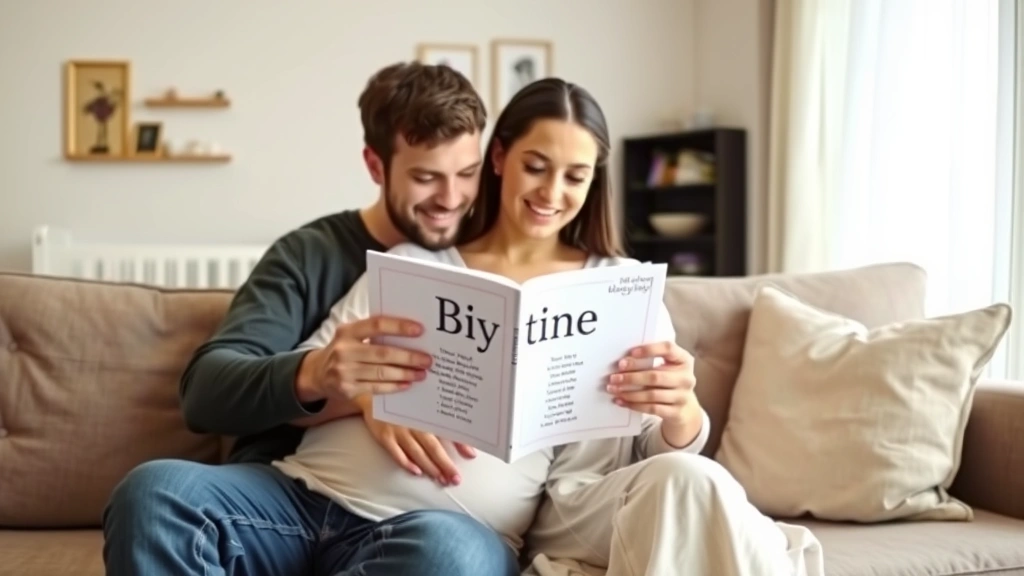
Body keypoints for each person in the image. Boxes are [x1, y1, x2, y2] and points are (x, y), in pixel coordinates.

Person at [273, 78, 826, 576]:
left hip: (588, 501)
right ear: (499, 157)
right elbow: (309, 379)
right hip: (510, 514)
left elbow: (659, 449)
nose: (551, 192)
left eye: (575, 176)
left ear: (593, 181)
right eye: (536, 166)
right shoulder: (417, 264)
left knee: (693, 478)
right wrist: (370, 395)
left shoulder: (623, 285)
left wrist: (681, 410)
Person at [101, 61, 502, 576]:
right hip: (286, 503)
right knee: (154, 493)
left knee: (455, 553)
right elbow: (204, 393)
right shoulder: (309, 255)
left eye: (466, 174)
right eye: (425, 177)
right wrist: (321, 376)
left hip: (413, 530)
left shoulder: (492, 262)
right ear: (376, 166)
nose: (451, 199)